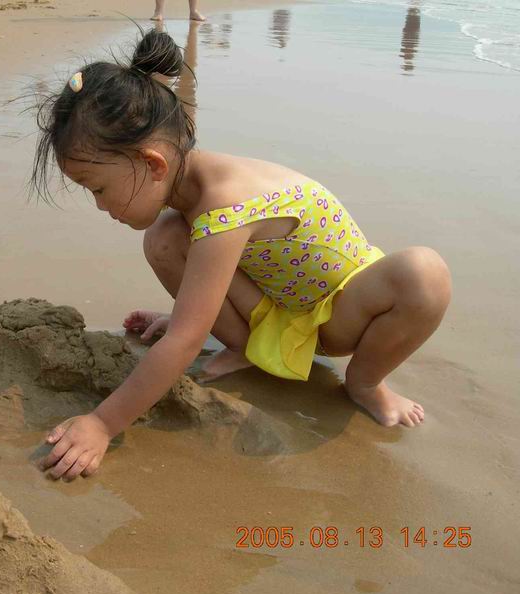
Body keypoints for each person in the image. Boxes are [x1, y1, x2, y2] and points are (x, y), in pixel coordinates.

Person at [30, 28, 451, 481]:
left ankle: (366, 383)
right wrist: (188, 314)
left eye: (98, 189)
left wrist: (102, 423)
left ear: (153, 164)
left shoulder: (225, 204)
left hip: (340, 315)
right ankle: (246, 347)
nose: (100, 206)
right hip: (277, 308)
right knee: (165, 237)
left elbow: (184, 342)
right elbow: (204, 279)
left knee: (424, 273)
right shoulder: (188, 186)